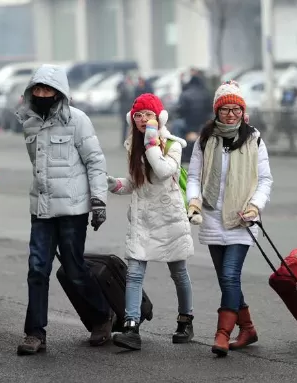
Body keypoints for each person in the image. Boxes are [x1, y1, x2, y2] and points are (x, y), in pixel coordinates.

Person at [15, 64, 113, 355]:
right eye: (38, 89)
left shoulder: (78, 120)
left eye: (48, 89)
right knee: (37, 269)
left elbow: (95, 161)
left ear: (59, 93)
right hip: (42, 208)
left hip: (73, 209)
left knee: (74, 269)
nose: (42, 94)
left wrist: (99, 200)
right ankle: (35, 333)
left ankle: (101, 316)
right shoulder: (29, 122)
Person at [186, 81, 273, 357]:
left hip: (241, 219)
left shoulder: (254, 138)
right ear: (217, 111)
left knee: (230, 275)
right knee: (227, 281)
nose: (231, 114)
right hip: (212, 216)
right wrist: (194, 201)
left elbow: (265, 180)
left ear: (243, 110)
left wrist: (255, 207)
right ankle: (247, 328)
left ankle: (222, 334)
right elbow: (194, 175)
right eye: (226, 109)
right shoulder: (206, 138)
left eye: (236, 109)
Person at [108, 93, 194, 351]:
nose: (144, 120)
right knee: (134, 274)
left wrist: (151, 143)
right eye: (138, 116)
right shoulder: (131, 145)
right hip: (143, 218)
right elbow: (137, 183)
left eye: (149, 115)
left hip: (169, 217)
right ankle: (131, 327)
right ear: (132, 120)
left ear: (160, 118)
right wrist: (116, 184)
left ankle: (185, 320)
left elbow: (164, 170)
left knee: (178, 272)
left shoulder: (173, 145)